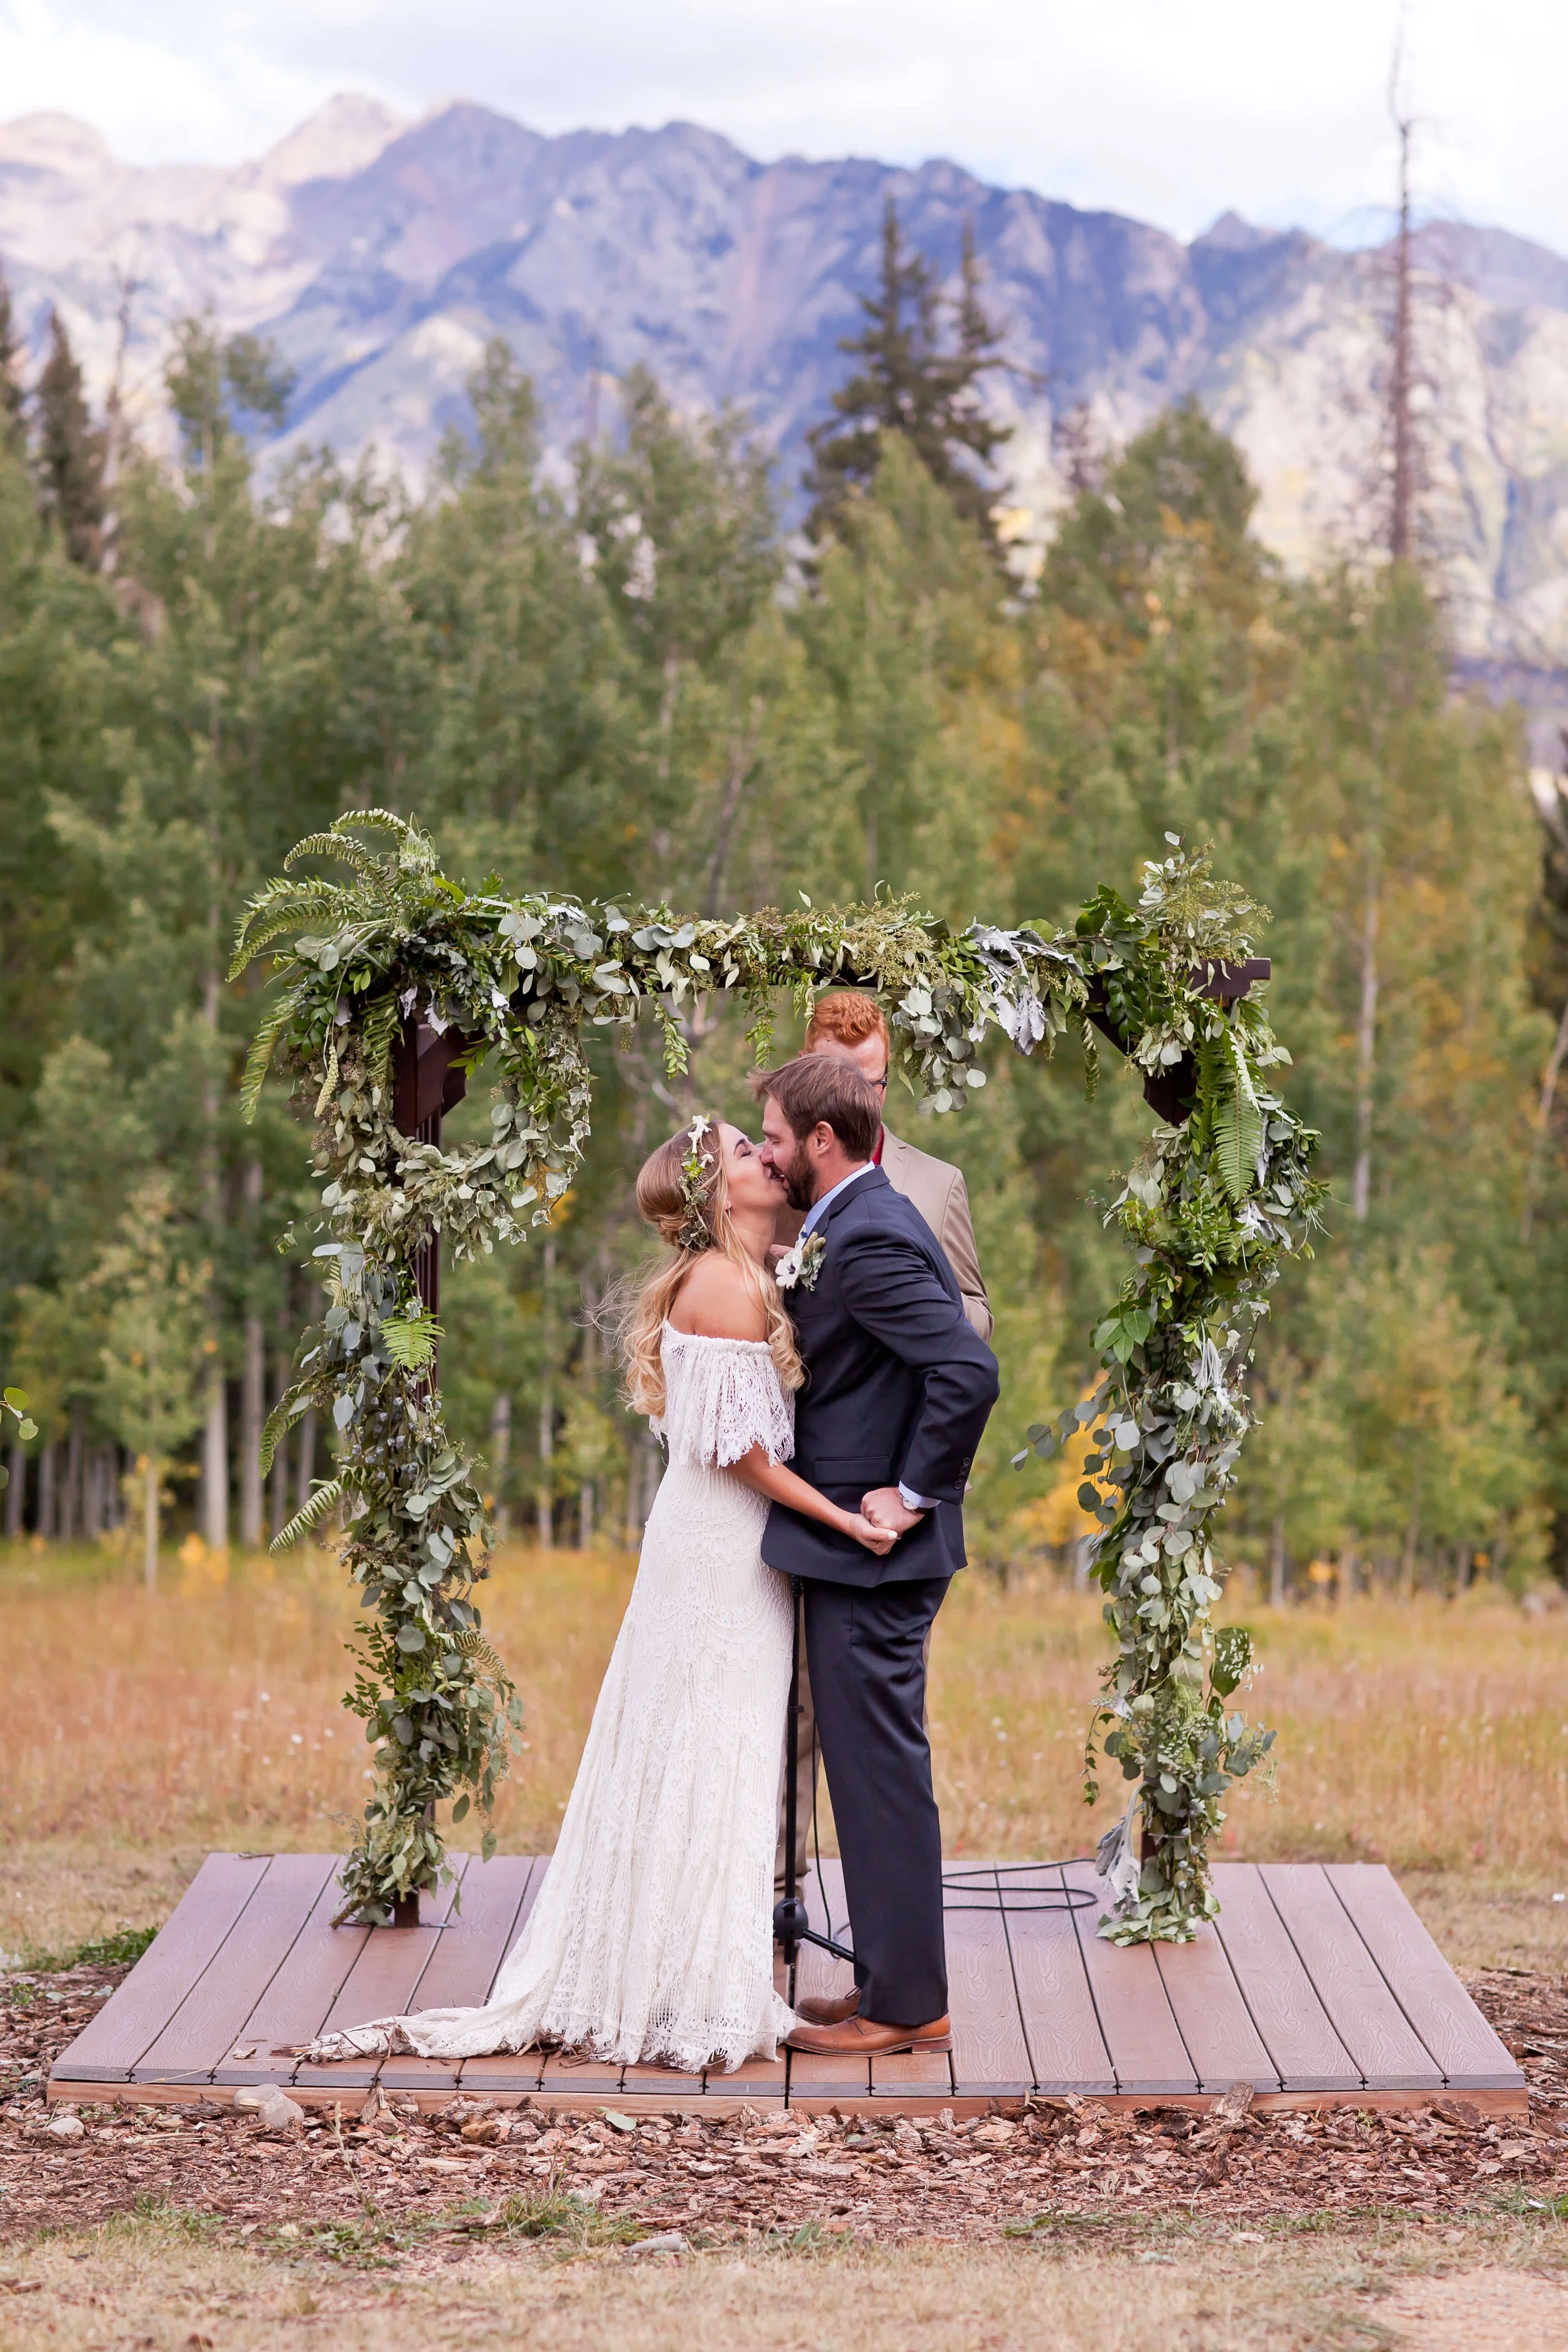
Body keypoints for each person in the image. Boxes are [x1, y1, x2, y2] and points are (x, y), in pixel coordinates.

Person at [300, 1115, 895, 2075]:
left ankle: (693, 1970)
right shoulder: (720, 1284)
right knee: (709, 1745)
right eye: (747, 1152)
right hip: (722, 1549)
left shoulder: (751, 1268)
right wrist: (840, 1517)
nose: (765, 1159)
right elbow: (738, 1453)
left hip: (725, 1545)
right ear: (715, 1189)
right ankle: (688, 1988)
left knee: (719, 1749)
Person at [756, 1055, 1000, 2058]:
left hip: (876, 1557)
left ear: (821, 1140)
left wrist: (907, 1493)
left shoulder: (865, 1237)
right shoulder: (848, 1222)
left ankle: (906, 2005)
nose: (765, 1151)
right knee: (866, 1774)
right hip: (854, 1553)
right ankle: (890, 1985)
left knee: (881, 1775)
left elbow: (967, 1368)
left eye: (773, 1134)